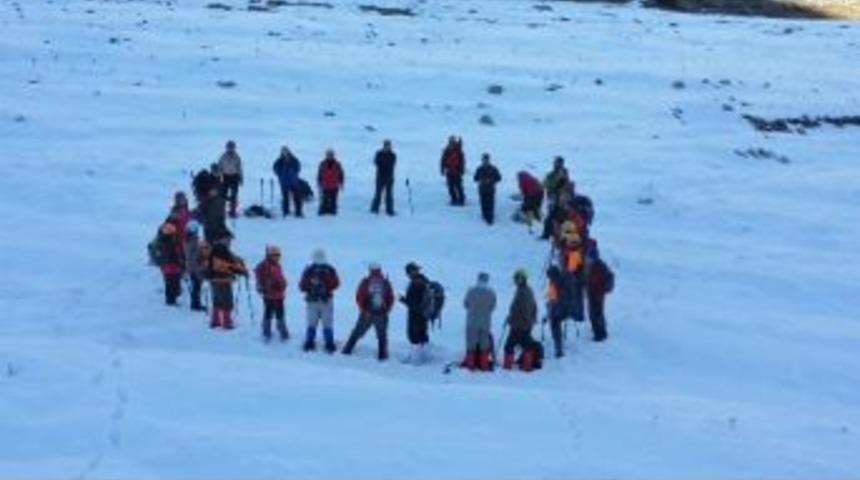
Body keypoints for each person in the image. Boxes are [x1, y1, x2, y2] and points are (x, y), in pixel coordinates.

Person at [342, 263, 394, 361]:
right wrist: (386, 310)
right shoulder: (385, 282)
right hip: (381, 313)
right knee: (382, 335)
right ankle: (382, 356)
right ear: (380, 270)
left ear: (370, 270)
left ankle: (347, 350)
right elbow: (390, 298)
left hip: (367, 312)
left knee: (357, 331)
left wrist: (363, 309)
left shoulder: (365, 282)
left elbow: (359, 296)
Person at [299, 249, 341, 353]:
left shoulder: (308, 270)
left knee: (311, 323)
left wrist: (311, 286)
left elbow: (301, 286)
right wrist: (326, 287)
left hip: (312, 302)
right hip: (326, 301)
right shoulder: (330, 269)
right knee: (327, 323)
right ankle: (329, 344)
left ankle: (309, 343)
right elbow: (336, 284)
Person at [503, 269, 542, 372]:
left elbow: (519, 309)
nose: (514, 281)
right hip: (525, 324)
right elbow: (534, 307)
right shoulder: (528, 290)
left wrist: (511, 319)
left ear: (521, 279)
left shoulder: (522, 292)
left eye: (516, 278)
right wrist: (532, 319)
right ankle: (526, 366)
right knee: (526, 345)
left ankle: (509, 367)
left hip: (519, 324)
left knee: (510, 346)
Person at [206, 242, 248, 330]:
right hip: (225, 282)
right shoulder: (226, 260)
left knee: (216, 300)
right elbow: (234, 268)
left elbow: (207, 270)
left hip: (214, 282)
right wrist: (243, 272)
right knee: (227, 301)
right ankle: (227, 322)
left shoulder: (212, 259)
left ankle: (215, 321)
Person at [462, 272, 497, 371]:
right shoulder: (491, 293)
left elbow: (465, 304)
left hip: (472, 321)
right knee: (484, 344)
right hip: (485, 322)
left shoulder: (471, 291)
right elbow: (492, 307)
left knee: (471, 344)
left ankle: (470, 365)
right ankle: (484, 365)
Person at [254, 245, 289, 342]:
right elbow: (278, 279)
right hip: (274, 294)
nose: (278, 257)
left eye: (279, 255)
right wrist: (283, 284)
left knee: (271, 312)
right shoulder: (270, 266)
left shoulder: (272, 265)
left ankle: (268, 331)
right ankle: (282, 332)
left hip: (272, 294)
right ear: (269, 255)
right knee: (277, 313)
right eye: (275, 255)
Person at [399, 262, 431, 364]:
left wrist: (402, 299)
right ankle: (425, 355)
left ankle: (416, 359)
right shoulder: (425, 281)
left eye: (408, 272)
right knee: (422, 333)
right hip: (424, 313)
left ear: (412, 272)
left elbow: (413, 303)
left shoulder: (415, 284)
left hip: (415, 314)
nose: (407, 274)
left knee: (413, 335)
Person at [585, 244, 613, 342]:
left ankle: (600, 334)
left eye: (589, 257)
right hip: (593, 294)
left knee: (596, 314)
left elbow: (596, 281)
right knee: (595, 314)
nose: (588, 259)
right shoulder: (593, 266)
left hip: (597, 295)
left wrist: (594, 289)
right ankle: (599, 332)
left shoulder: (598, 267)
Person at [156, 220, 185, 306]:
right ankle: (171, 300)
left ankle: (170, 300)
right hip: (173, 265)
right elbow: (176, 254)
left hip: (166, 266)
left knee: (169, 283)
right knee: (173, 283)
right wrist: (181, 262)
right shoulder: (171, 243)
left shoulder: (162, 242)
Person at [546, 265, 572, 358]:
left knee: (555, 324)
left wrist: (552, 311)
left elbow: (555, 300)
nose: (548, 278)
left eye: (549, 276)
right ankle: (558, 343)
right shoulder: (561, 280)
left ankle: (559, 349)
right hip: (564, 308)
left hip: (561, 310)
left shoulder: (556, 283)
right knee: (554, 322)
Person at [273, 146, 303, 218]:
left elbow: (298, 167)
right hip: (284, 182)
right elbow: (275, 168)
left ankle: (298, 211)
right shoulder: (279, 161)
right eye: (283, 151)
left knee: (297, 197)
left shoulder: (294, 159)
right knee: (285, 198)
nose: (285, 153)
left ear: (288, 151)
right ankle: (286, 212)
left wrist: (293, 171)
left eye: (286, 151)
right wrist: (280, 172)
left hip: (293, 181)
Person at [473, 153, 501, 225]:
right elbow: (475, 178)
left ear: (489, 160)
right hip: (482, 190)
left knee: (490, 204)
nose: (485, 162)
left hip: (490, 189)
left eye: (486, 160)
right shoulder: (479, 169)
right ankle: (484, 215)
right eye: (484, 160)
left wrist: (491, 180)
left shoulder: (493, 169)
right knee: (483, 203)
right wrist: (481, 179)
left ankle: (490, 218)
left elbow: (499, 178)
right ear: (482, 160)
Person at [184, 221, 207, 312]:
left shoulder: (188, 240)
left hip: (190, 267)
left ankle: (195, 304)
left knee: (196, 286)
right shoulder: (193, 240)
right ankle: (195, 305)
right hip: (195, 267)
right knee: (197, 286)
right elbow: (194, 255)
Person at [218, 140, 243, 218]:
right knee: (223, 195)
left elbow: (239, 168)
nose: (230, 149)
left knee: (234, 195)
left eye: (232, 147)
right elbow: (220, 167)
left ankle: (233, 211)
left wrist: (241, 178)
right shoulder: (223, 157)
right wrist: (219, 177)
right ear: (226, 148)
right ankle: (221, 211)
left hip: (234, 177)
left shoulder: (237, 157)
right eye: (229, 147)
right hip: (225, 177)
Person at [371, 139, 396, 215]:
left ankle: (389, 210)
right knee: (378, 194)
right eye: (385, 146)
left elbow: (391, 164)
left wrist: (382, 163)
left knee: (389, 195)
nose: (387, 147)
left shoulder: (393, 155)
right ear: (383, 146)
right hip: (380, 178)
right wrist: (383, 163)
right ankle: (374, 209)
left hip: (389, 178)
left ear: (390, 146)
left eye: (388, 146)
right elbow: (376, 162)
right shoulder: (379, 153)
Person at [317, 149, 345, 216]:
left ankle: (333, 211)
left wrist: (341, 183)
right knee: (324, 199)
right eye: (328, 155)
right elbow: (319, 174)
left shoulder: (337, 164)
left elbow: (341, 174)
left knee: (333, 199)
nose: (329, 156)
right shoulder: (322, 164)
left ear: (333, 155)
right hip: (325, 185)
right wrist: (319, 183)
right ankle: (323, 211)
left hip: (334, 185)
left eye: (331, 155)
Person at [440, 135, 465, 206]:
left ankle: (461, 200)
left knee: (458, 186)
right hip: (449, 171)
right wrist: (442, 169)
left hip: (457, 171)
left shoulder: (459, 151)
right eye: (450, 141)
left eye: (452, 141)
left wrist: (461, 170)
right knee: (450, 186)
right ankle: (453, 199)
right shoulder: (446, 150)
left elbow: (462, 161)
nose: (451, 143)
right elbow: (443, 160)